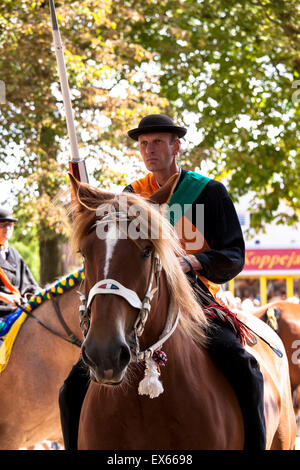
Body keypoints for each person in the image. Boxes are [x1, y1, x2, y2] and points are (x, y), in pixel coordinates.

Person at [59, 114, 266, 450]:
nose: (149, 149)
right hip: (140, 300)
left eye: (157, 142)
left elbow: (234, 255)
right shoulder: (131, 195)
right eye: (143, 144)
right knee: (71, 389)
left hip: (199, 300)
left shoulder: (209, 193)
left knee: (245, 368)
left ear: (176, 146)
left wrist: (191, 261)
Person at [0, 207, 39, 316]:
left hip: (17, 310)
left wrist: (44, 294)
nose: (7, 228)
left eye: (10, 225)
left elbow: (28, 284)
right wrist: (5, 297)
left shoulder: (15, 254)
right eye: (3, 225)